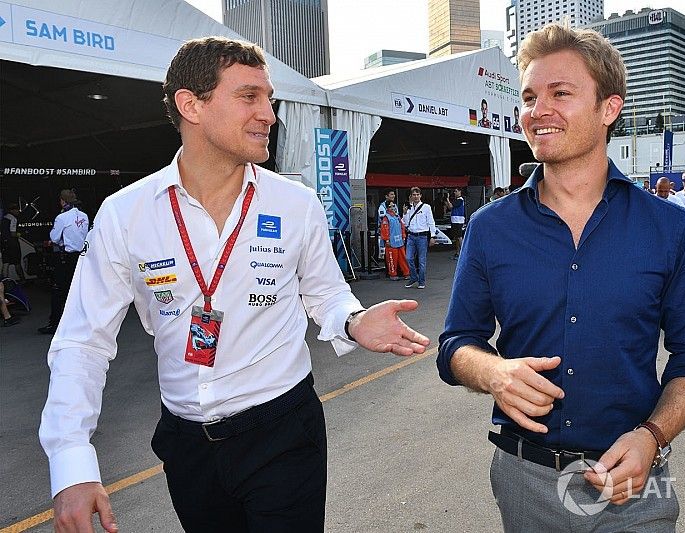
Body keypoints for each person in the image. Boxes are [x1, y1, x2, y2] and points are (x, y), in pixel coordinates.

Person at [39, 37, 430, 533]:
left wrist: (353, 322)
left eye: (269, 98)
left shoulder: (296, 204)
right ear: (191, 105)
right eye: (249, 96)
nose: (268, 114)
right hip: (186, 445)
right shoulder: (125, 214)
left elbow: (326, 293)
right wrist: (71, 461)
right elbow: (83, 341)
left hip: (284, 433)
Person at [437, 23, 685, 532]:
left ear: (608, 110)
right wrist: (493, 373)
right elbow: (457, 344)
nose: (537, 110)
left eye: (561, 93)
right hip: (523, 481)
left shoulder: (669, 229)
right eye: (529, 96)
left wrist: (652, 436)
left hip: (632, 479)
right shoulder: (491, 228)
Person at [38, 190, 90, 335]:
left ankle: (54, 324)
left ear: (62, 201)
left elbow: (54, 238)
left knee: (57, 292)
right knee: (78, 291)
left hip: (65, 258)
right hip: (81, 257)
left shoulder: (62, 217)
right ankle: (81, 322)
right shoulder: (84, 215)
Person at [402, 187, 436, 289]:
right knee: (408, 258)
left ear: (420, 195)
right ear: (411, 196)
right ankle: (413, 277)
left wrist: (433, 236)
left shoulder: (426, 207)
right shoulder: (408, 208)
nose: (416, 196)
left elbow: (431, 222)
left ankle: (421, 281)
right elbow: (405, 223)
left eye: (417, 194)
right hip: (411, 236)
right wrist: (404, 213)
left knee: (422, 260)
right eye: (414, 195)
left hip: (422, 236)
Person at [379, 202, 410, 280]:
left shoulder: (397, 216)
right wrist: (387, 240)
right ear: (387, 208)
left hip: (400, 241)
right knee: (392, 259)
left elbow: (402, 227)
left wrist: (403, 237)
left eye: (393, 206)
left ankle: (406, 273)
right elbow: (384, 230)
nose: (392, 207)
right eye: (390, 206)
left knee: (403, 258)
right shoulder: (386, 218)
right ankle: (393, 274)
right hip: (391, 243)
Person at [1, 203, 27, 283]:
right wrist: (20, 234)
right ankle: (23, 279)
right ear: (12, 210)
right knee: (17, 262)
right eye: (17, 210)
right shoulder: (13, 219)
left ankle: (4, 281)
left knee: (6, 263)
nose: (18, 212)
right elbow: (13, 233)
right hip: (12, 243)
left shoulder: (4, 218)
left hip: (3, 243)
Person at [444, 188, 465, 259]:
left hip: (458, 220)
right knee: (456, 237)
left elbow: (451, 206)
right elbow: (450, 207)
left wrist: (447, 199)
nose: (455, 193)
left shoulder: (460, 200)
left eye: (456, 191)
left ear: (460, 191)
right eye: (454, 192)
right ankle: (458, 252)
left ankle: (463, 253)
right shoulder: (456, 200)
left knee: (459, 236)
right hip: (455, 220)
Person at [377, 189, 396, 266]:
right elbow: (383, 219)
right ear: (386, 196)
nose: (393, 196)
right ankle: (388, 269)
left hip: (394, 232)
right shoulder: (382, 206)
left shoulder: (394, 205)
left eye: (394, 194)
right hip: (386, 233)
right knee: (386, 251)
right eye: (391, 194)